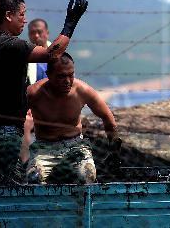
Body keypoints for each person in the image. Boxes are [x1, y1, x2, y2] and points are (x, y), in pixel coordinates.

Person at [0, 0, 88, 185]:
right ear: (8, 15)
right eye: (21, 14)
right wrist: (70, 23)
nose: (24, 20)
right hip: (3, 131)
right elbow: (52, 54)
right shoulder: (8, 45)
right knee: (12, 187)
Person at [26, 53, 120, 184]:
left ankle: (83, 204)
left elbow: (107, 116)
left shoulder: (82, 90)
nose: (67, 81)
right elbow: (13, 119)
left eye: (71, 75)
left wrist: (114, 148)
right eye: (61, 76)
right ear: (49, 75)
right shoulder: (33, 93)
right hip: (44, 149)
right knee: (34, 178)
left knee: (87, 176)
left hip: (76, 146)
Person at [27, 18, 51, 84]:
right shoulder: (23, 56)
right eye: (32, 32)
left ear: (47, 33)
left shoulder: (58, 54)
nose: (36, 36)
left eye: (39, 32)